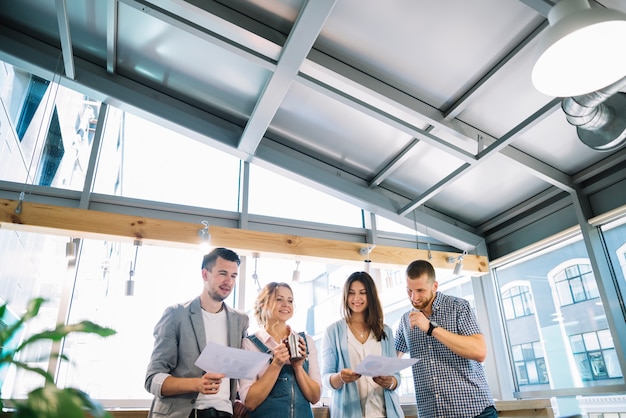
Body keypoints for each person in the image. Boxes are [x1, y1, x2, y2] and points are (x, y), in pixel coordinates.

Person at [145, 247, 250, 418]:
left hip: (224, 413)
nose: (229, 282)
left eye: (233, 276)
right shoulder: (176, 314)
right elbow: (152, 380)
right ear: (204, 275)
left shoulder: (241, 320)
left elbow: (238, 370)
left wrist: (238, 398)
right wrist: (196, 384)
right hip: (183, 413)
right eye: (222, 273)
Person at [394, 259, 496, 418]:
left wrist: (431, 328)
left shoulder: (458, 307)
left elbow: (480, 351)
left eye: (420, 290)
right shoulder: (405, 321)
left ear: (435, 286)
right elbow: (392, 359)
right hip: (432, 414)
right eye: (409, 291)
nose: (414, 297)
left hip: (475, 411)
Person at [321, 271, 404, 418]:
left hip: (383, 412)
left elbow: (396, 376)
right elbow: (326, 379)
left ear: (370, 296)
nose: (356, 298)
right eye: (351, 293)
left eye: (363, 293)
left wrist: (390, 381)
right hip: (348, 413)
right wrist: (340, 377)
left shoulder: (385, 331)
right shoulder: (332, 332)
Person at [239, 282, 321, 418]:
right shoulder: (249, 344)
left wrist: (298, 367)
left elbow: (315, 397)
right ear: (262, 304)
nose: (286, 304)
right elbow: (249, 401)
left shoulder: (306, 342)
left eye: (290, 300)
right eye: (279, 299)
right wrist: (276, 364)